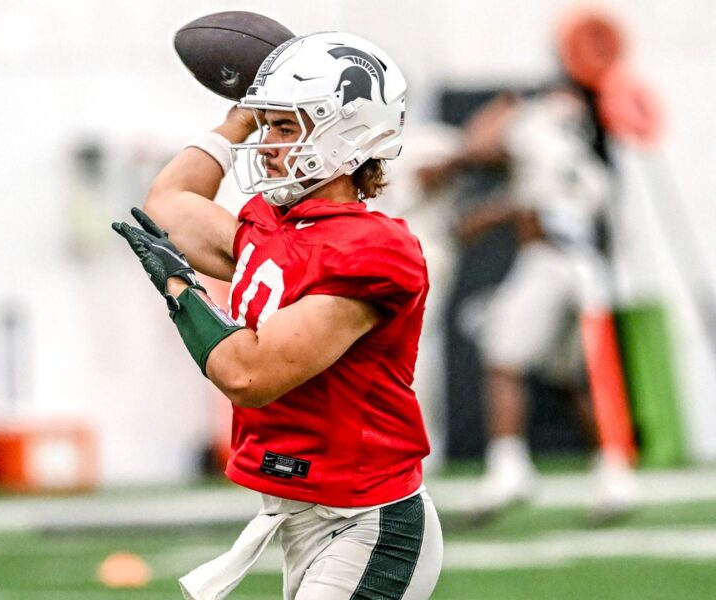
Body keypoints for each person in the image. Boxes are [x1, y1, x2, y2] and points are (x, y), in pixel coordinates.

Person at [113, 32, 442, 600]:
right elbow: (166, 206)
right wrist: (239, 117)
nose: (265, 144)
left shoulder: (370, 250)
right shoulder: (274, 225)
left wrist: (180, 288)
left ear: (346, 135)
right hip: (306, 518)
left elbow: (250, 375)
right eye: (267, 127)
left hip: (366, 523)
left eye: (284, 128)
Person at [417, 85, 636, 522]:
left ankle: (508, 468)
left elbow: (481, 151)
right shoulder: (582, 158)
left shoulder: (534, 128)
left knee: (501, 356)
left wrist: (498, 115)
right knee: (571, 378)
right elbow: (538, 204)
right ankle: (616, 474)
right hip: (589, 266)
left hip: (549, 258)